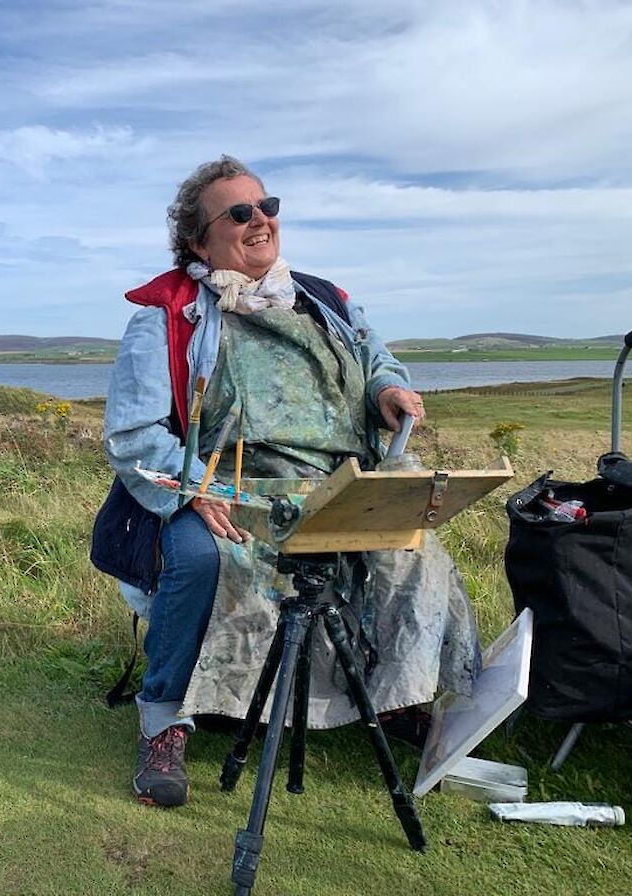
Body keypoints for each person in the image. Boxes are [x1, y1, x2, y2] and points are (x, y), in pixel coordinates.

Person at [101, 156, 467, 808]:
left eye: (266, 206)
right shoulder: (170, 317)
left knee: (413, 553)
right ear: (196, 238)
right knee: (199, 555)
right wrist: (193, 487)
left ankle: (393, 700)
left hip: (336, 485)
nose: (259, 220)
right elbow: (133, 433)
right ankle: (163, 721)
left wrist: (386, 387)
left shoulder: (323, 299)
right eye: (237, 213)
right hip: (230, 490)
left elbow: (375, 354)